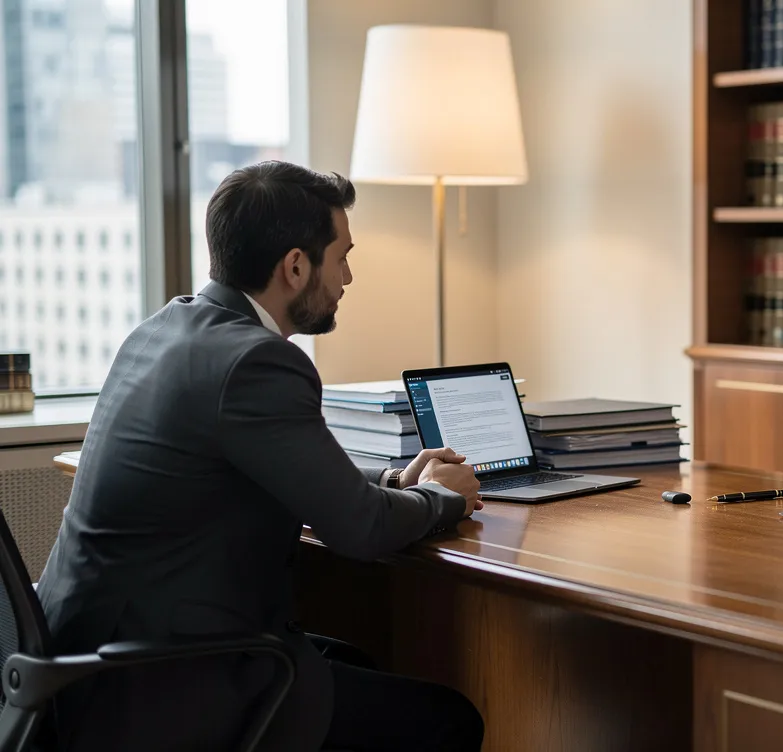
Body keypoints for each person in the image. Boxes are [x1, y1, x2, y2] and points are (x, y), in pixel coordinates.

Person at [37, 161, 485, 751]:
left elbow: (274, 467)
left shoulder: (165, 329)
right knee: (448, 720)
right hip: (156, 686)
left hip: (77, 669)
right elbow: (361, 528)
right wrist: (443, 498)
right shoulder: (257, 361)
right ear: (296, 266)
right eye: (343, 257)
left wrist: (393, 479)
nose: (349, 277)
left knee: (356, 661)